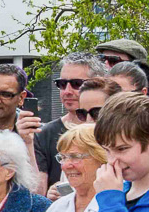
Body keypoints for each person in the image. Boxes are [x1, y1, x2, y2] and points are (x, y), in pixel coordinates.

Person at [32, 53, 100, 191]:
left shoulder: (112, 131)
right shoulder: (44, 134)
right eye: (62, 84)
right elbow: (37, 195)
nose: (67, 91)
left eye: (76, 84)